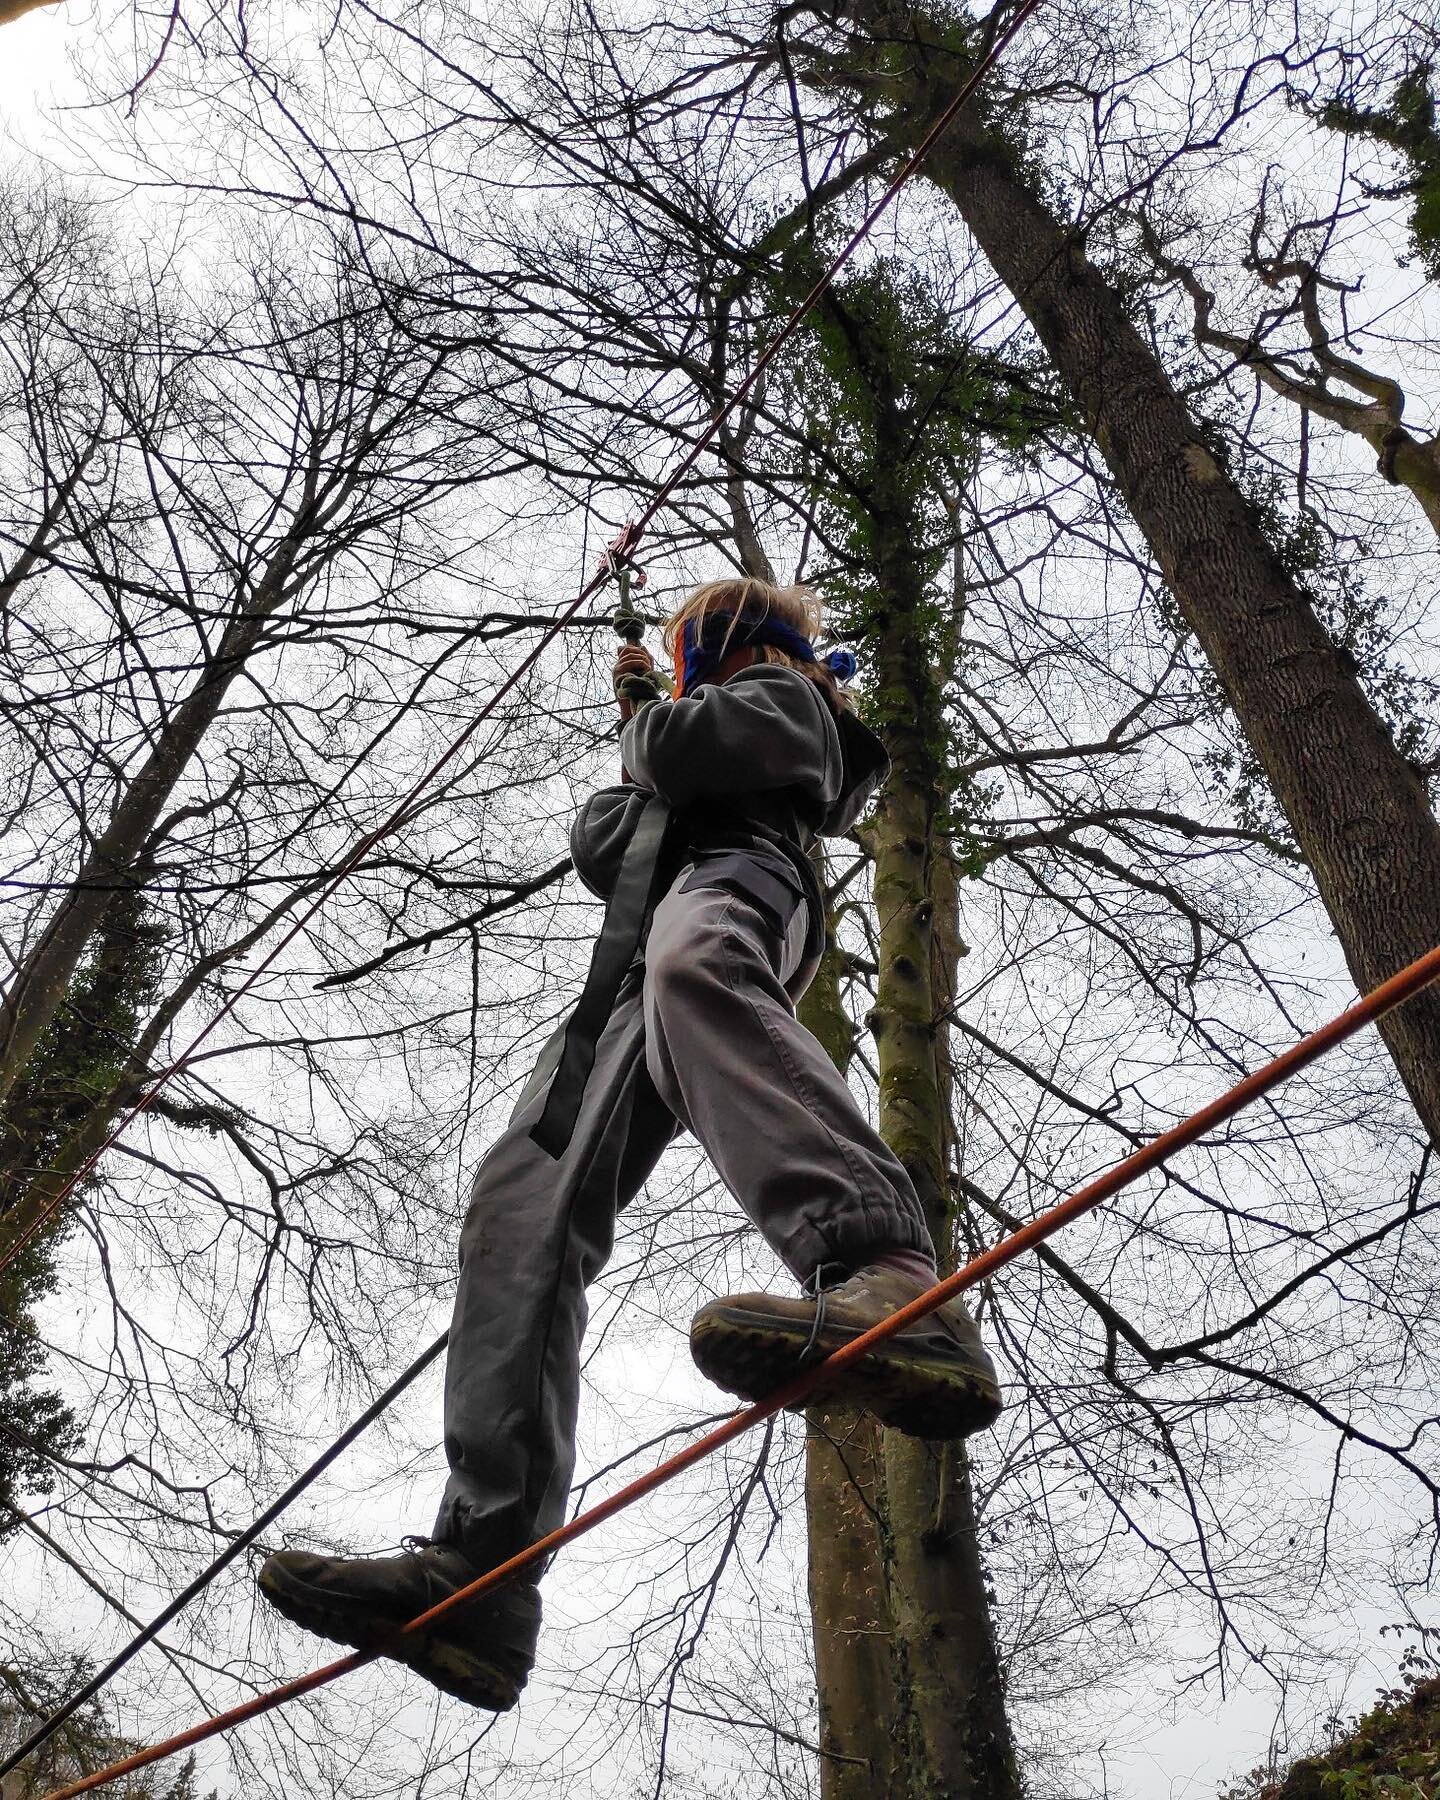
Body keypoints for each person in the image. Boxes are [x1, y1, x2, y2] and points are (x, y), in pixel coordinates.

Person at [257, 576, 1002, 1711]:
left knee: (697, 971)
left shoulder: (789, 697)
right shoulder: (685, 742)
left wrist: (651, 718)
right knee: (520, 1205)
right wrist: (641, 743)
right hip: (635, 966)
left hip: (739, 893)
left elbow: (707, 750)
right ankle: (486, 1572)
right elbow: (609, 845)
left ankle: (890, 1275)